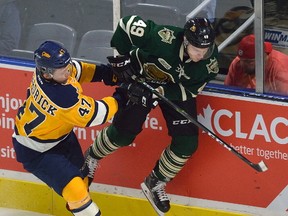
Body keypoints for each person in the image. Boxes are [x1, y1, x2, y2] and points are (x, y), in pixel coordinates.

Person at [82, 15, 219, 214]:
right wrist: (123, 58)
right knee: (123, 133)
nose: (201, 55)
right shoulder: (162, 38)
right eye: (197, 50)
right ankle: (91, 156)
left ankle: (156, 181)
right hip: (141, 77)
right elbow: (126, 24)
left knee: (187, 143)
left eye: (205, 50)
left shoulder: (210, 63)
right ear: (186, 41)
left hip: (174, 89)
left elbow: (190, 90)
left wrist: (159, 94)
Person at [11, 41, 129, 216]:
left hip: (60, 136)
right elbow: (96, 115)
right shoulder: (61, 98)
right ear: (48, 73)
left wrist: (106, 73)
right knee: (77, 192)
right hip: (36, 151)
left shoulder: (47, 71)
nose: (68, 69)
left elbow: (78, 69)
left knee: (82, 180)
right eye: (62, 69)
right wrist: (122, 97)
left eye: (67, 63)